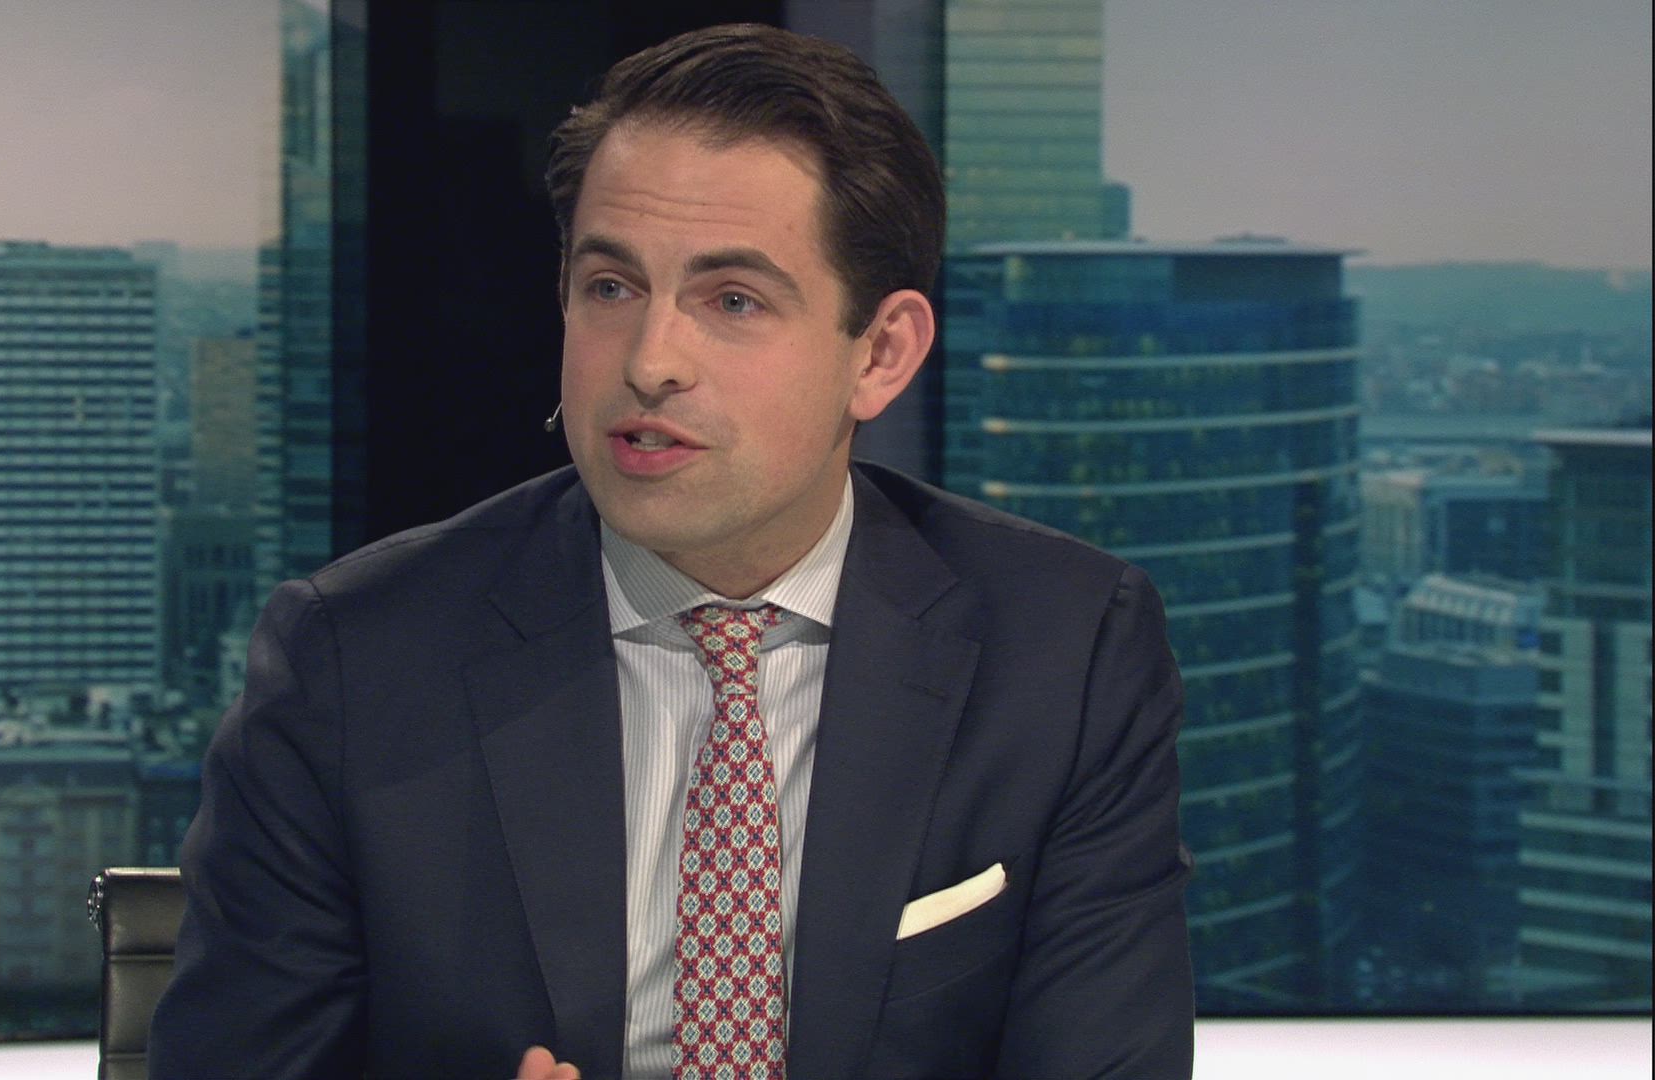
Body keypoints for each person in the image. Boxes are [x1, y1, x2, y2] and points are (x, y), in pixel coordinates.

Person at [149, 22, 1193, 1080]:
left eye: (732, 301)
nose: (650, 361)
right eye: (611, 287)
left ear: (881, 354)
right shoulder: (354, 660)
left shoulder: (1063, 651)